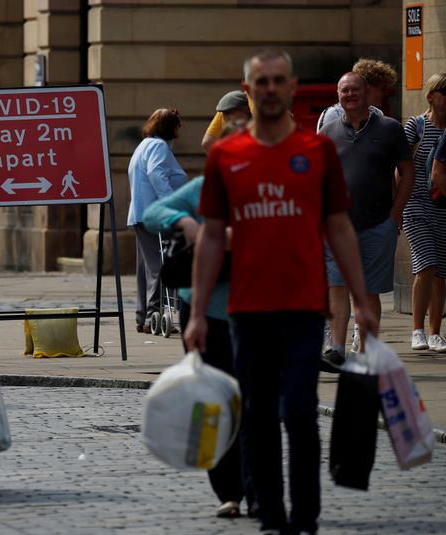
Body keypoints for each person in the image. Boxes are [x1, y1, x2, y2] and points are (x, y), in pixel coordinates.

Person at [184, 49, 378, 535]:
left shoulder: (317, 152)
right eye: (260, 82)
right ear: (248, 92)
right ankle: (271, 515)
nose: (269, 89)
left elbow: (338, 227)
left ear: (291, 88)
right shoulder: (227, 156)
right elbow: (210, 236)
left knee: (298, 411)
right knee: (258, 415)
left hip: (303, 308)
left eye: (278, 81)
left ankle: (305, 517)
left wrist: (359, 300)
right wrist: (198, 312)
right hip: (246, 310)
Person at [142, 120, 253, 520]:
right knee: (214, 401)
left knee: (254, 403)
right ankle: (229, 493)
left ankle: (256, 488)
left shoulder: (269, 189)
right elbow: (154, 211)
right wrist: (185, 221)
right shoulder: (207, 187)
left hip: (255, 311)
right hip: (204, 312)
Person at [317, 72, 413, 371]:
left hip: (377, 224)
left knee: (368, 292)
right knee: (337, 286)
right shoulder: (327, 132)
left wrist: (395, 214)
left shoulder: (390, 129)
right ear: (338, 95)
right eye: (344, 90)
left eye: (355, 89)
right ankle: (336, 349)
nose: (350, 95)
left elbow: (407, 173)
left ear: (367, 92)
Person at [127, 108, 187, 333]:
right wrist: (169, 204)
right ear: (170, 127)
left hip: (140, 213)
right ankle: (154, 312)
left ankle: (143, 317)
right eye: (178, 124)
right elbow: (156, 173)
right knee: (158, 265)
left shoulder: (144, 145)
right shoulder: (158, 147)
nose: (180, 128)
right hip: (155, 213)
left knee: (145, 267)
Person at [402, 73, 446, 352]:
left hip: (443, 206)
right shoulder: (415, 126)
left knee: (441, 271)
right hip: (415, 202)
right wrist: (396, 204)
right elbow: (400, 168)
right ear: (431, 95)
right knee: (427, 263)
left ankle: (435, 333)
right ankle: (417, 330)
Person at [316, 58, 396, 132]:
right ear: (368, 87)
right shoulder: (334, 114)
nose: (384, 92)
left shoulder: (378, 113)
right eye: (382, 88)